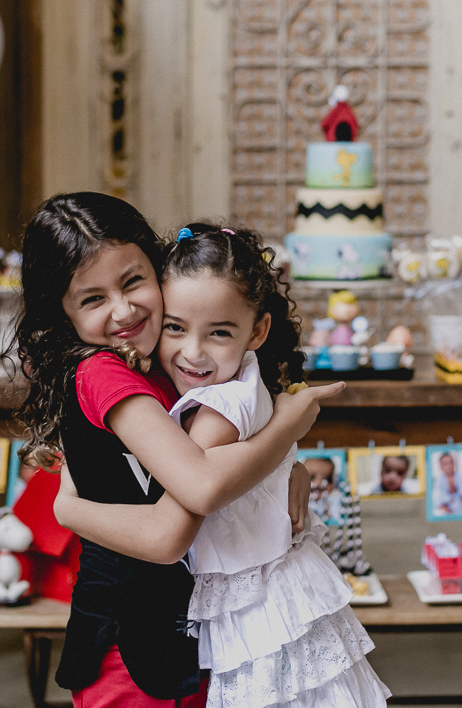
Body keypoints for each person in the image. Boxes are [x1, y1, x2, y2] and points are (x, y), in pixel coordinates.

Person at [13, 193, 342, 708]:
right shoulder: (104, 373)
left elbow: (218, 459)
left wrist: (285, 467)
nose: (123, 310)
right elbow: (197, 490)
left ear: (158, 269)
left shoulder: (161, 359)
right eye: (92, 299)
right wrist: (286, 427)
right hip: (130, 647)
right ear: (62, 309)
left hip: (182, 638)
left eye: (132, 282)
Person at [151, 223, 389, 707]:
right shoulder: (248, 381)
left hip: (259, 604)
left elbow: (186, 492)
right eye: (174, 327)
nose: (192, 352)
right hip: (283, 588)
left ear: (257, 330)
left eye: (219, 332)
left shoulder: (217, 410)